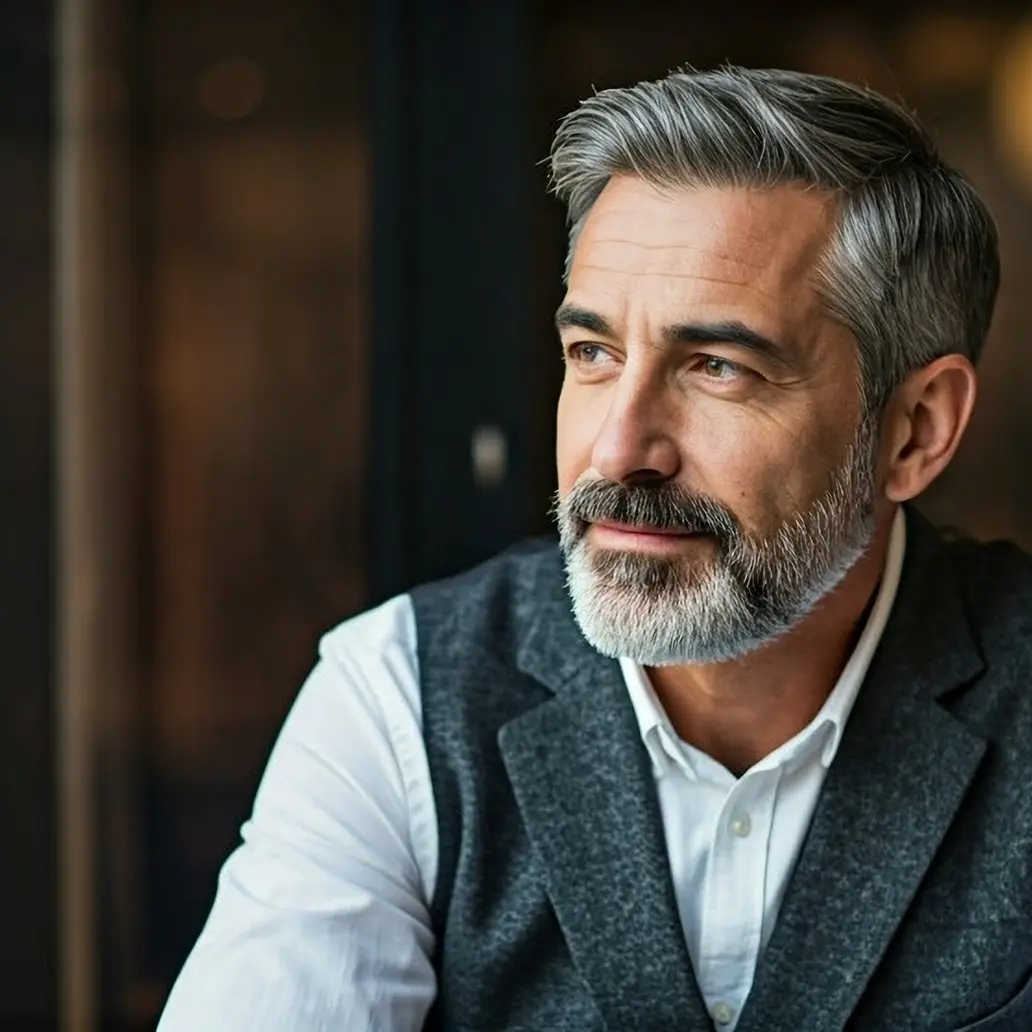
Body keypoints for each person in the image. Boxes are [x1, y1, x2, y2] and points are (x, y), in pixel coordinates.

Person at [156, 66, 1032, 1032]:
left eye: (719, 368)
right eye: (593, 355)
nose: (619, 450)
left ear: (914, 430)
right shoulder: (399, 695)